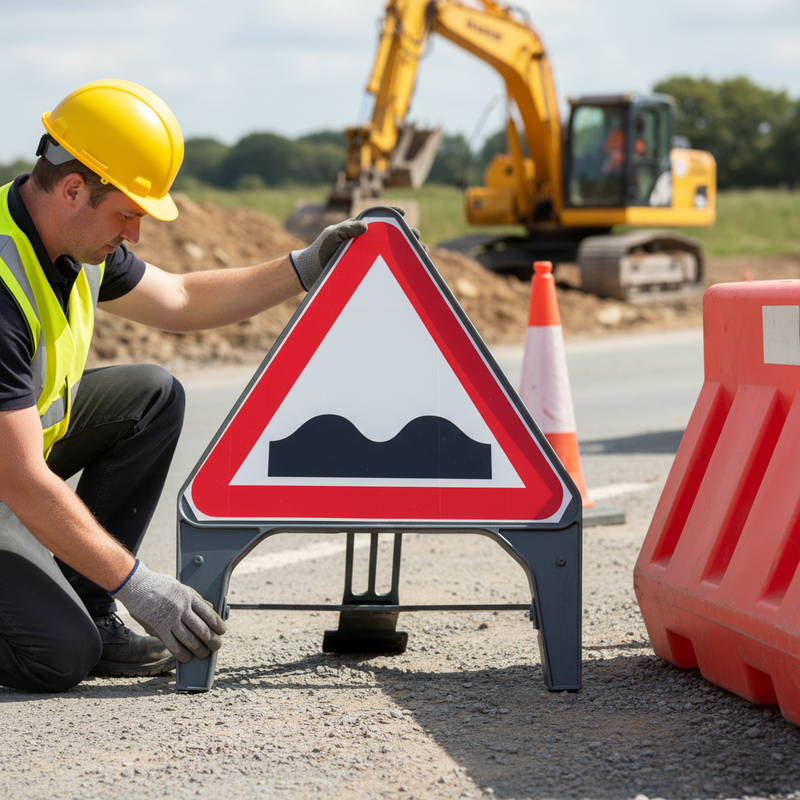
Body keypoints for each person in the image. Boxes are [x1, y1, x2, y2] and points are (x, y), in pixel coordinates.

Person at [0, 79, 370, 692]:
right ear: (72, 189)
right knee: (59, 657)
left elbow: (179, 297)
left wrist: (303, 267)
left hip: (11, 463)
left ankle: (91, 608)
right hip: (11, 473)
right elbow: (20, 479)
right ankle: (83, 618)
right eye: (127, 214)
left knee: (150, 395)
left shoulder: (69, 238)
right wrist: (138, 584)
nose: (135, 234)